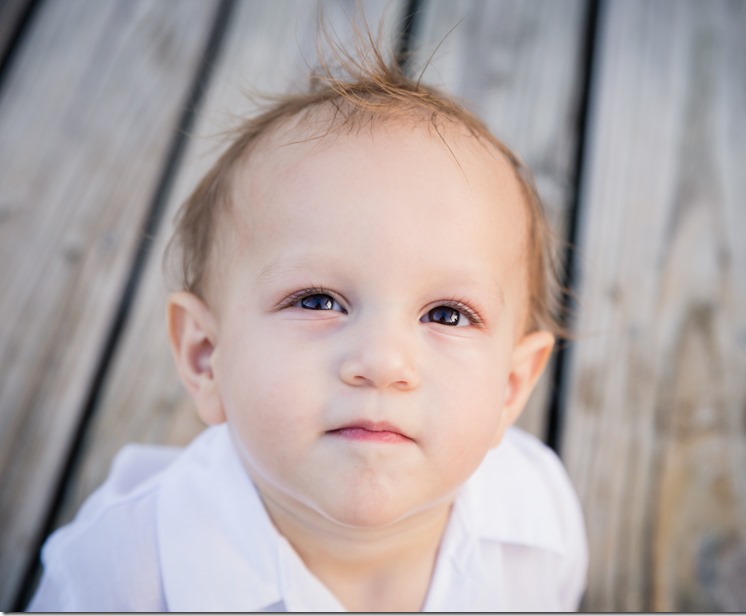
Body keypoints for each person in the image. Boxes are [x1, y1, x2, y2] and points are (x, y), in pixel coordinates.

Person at [28, 39, 588, 612]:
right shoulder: (119, 575)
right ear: (205, 356)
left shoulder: (536, 518)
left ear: (512, 387)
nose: (382, 363)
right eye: (318, 301)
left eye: (447, 314)